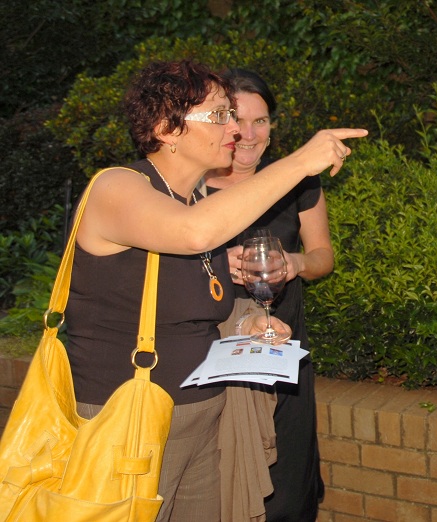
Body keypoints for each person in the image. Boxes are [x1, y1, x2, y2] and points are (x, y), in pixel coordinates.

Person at [65, 59, 367, 522]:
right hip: (128, 426)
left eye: (239, 115)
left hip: (200, 423)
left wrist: (251, 322)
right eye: (221, 115)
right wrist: (302, 161)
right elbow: (194, 234)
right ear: (167, 128)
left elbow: (193, 308)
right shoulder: (118, 187)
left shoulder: (190, 202)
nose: (237, 129)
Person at [202, 69, 330, 521]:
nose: (250, 134)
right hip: (216, 358)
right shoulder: (191, 190)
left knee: (288, 483)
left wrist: (295, 263)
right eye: (239, 120)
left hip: (284, 349)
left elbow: (323, 257)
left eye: (262, 121)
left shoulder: (297, 182)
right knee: (226, 481)